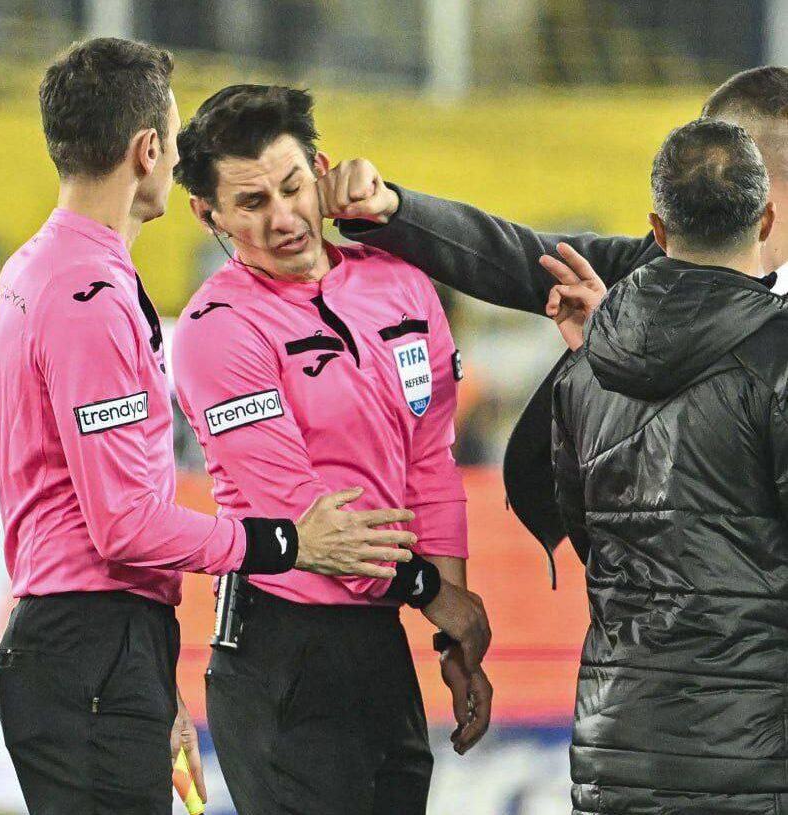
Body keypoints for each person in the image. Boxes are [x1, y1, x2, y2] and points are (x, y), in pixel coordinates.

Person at [0, 40, 418, 815]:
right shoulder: (90, 298)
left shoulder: (36, 270)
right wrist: (286, 542)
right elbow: (123, 525)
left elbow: (79, 512)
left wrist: (154, 687)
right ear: (147, 151)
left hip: (93, 651)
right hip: (89, 653)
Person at [170, 84, 492, 815]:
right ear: (207, 214)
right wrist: (435, 596)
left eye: (292, 188)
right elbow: (314, 525)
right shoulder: (217, 330)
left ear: (321, 171)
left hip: (382, 641)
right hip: (282, 654)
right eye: (252, 204)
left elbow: (430, 467)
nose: (283, 219)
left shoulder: (402, 285)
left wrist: (454, 640)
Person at [321, 65, 788, 567]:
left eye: (711, 150)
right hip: (635, 600)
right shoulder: (652, 268)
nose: (694, 164)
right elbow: (514, 256)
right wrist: (391, 209)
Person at [549, 118, 788, 813]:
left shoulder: (585, 368)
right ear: (767, 219)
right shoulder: (779, 358)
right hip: (757, 756)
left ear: (657, 229)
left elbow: (590, 535)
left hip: (617, 751)